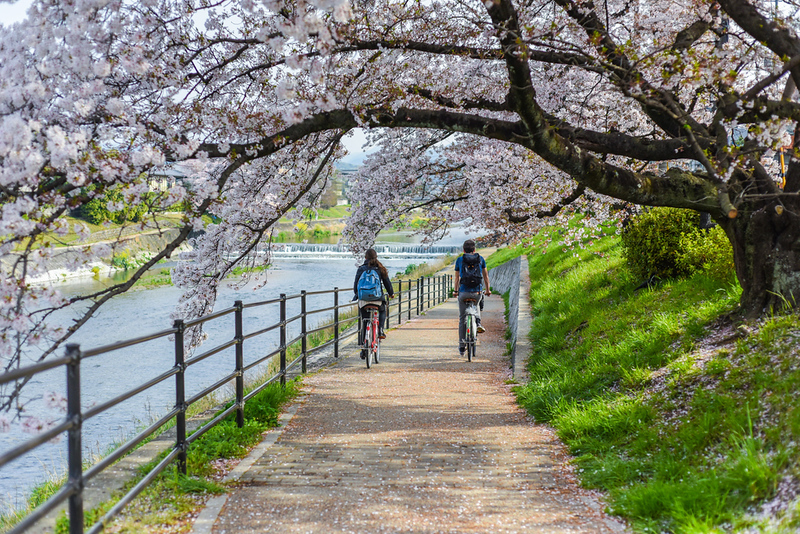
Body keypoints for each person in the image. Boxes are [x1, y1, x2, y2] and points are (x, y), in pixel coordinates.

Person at [354, 248, 395, 358]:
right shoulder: (379, 268)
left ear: (365, 257)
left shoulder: (361, 269)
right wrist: (391, 294)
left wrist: (358, 295)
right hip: (377, 299)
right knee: (382, 309)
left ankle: (364, 349)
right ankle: (380, 329)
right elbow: (387, 283)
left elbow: (355, 286)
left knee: (364, 322)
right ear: (376, 257)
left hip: (363, 301)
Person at [453, 239, 491, 356]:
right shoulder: (481, 259)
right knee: (477, 304)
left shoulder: (460, 260)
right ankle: (478, 323)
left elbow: (457, 279)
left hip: (463, 293)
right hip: (477, 292)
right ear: (474, 250)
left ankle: (461, 346)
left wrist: (455, 291)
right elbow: (485, 277)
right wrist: (488, 290)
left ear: (463, 250)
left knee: (462, 318)